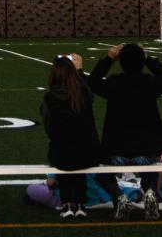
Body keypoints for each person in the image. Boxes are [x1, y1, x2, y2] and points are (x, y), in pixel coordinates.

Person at [91, 42, 162, 217]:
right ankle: (150, 190)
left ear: (121, 63)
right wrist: (148, 59)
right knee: (151, 168)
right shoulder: (149, 83)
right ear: (141, 62)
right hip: (147, 149)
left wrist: (108, 59)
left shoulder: (114, 83)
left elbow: (92, 81)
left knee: (100, 172)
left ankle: (118, 197)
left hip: (116, 150)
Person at [42, 53, 103, 217]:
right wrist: (80, 71)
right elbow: (89, 94)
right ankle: (80, 204)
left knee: (64, 154)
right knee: (78, 159)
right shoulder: (82, 94)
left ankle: (67, 204)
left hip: (62, 153)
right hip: (86, 153)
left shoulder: (50, 97)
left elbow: (48, 126)